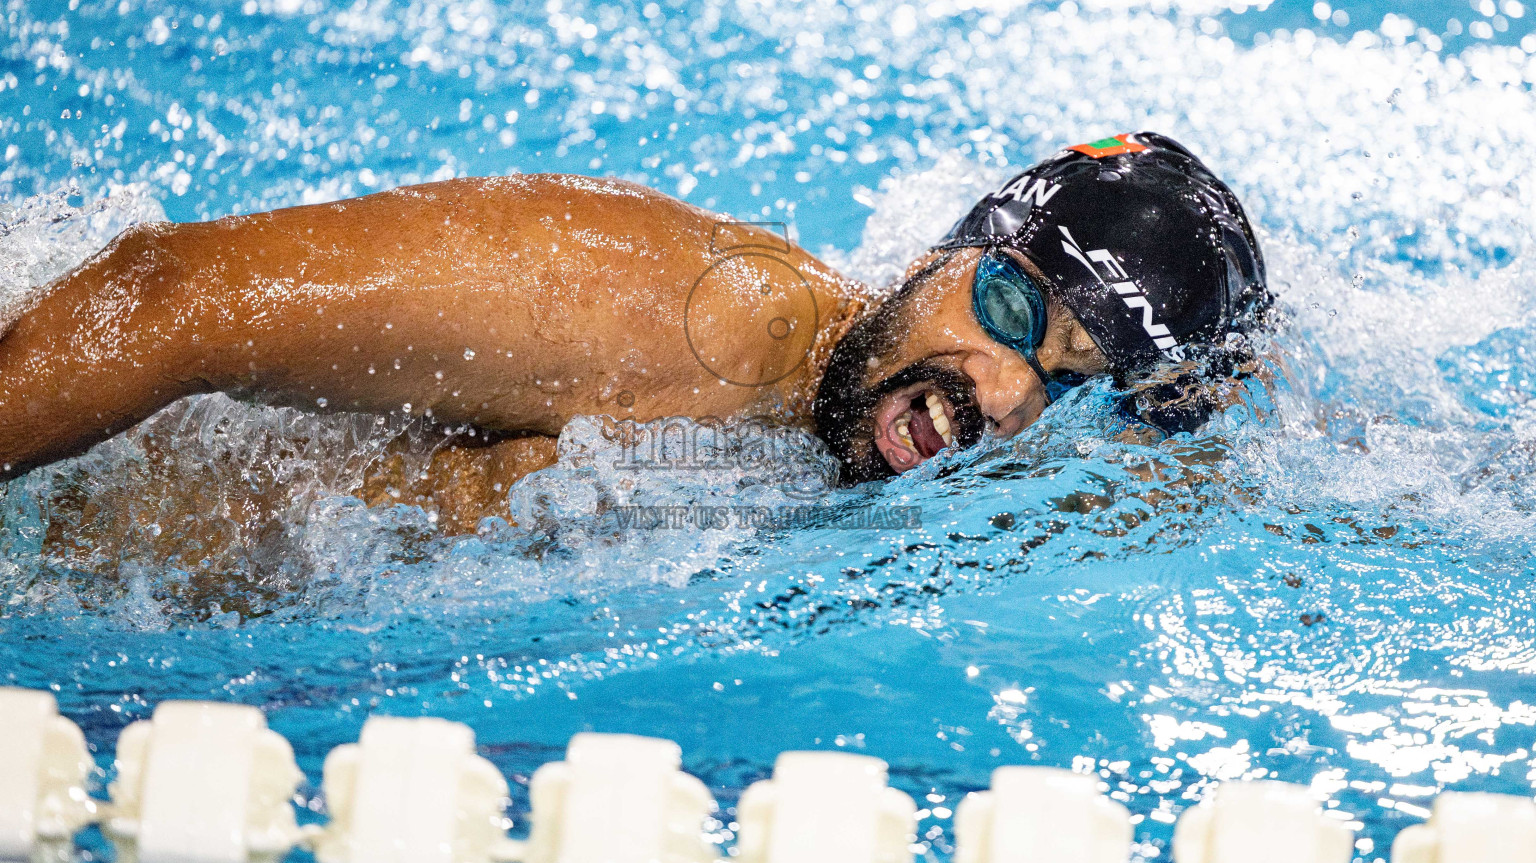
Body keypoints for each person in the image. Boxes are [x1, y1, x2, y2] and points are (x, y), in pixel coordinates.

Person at [0, 132, 1268, 526]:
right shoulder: (685, 313)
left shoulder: (864, 457)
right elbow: (173, 296)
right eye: (1007, 309)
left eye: (1063, 381)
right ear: (945, 249)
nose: (1000, 392)